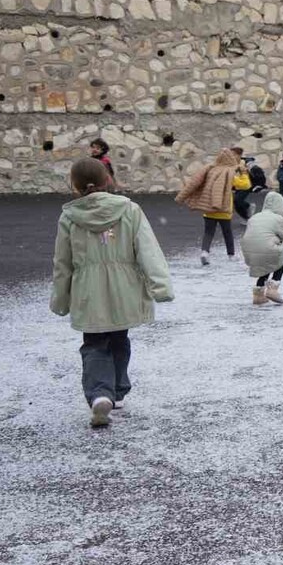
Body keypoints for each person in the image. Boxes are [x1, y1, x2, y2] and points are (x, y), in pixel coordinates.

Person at [51, 158, 173, 428]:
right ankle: (116, 391)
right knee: (119, 338)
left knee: (94, 343)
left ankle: (99, 393)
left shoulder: (69, 217)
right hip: (124, 287)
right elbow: (148, 250)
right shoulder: (130, 210)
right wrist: (160, 286)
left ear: (75, 186)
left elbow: (62, 263)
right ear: (108, 180)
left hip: (88, 291)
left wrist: (60, 299)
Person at [176, 148, 239, 266]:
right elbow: (243, 185)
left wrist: (180, 197)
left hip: (208, 208)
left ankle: (205, 252)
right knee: (227, 232)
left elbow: (194, 183)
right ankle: (231, 255)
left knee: (208, 232)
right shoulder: (231, 172)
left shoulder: (210, 169)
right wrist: (244, 173)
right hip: (224, 209)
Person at [230, 147, 253, 222]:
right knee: (237, 204)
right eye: (231, 155)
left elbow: (248, 171)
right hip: (238, 186)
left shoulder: (243, 163)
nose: (232, 157)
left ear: (239, 155)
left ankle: (247, 218)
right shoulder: (232, 164)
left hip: (246, 186)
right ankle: (248, 207)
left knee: (237, 201)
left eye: (234, 155)